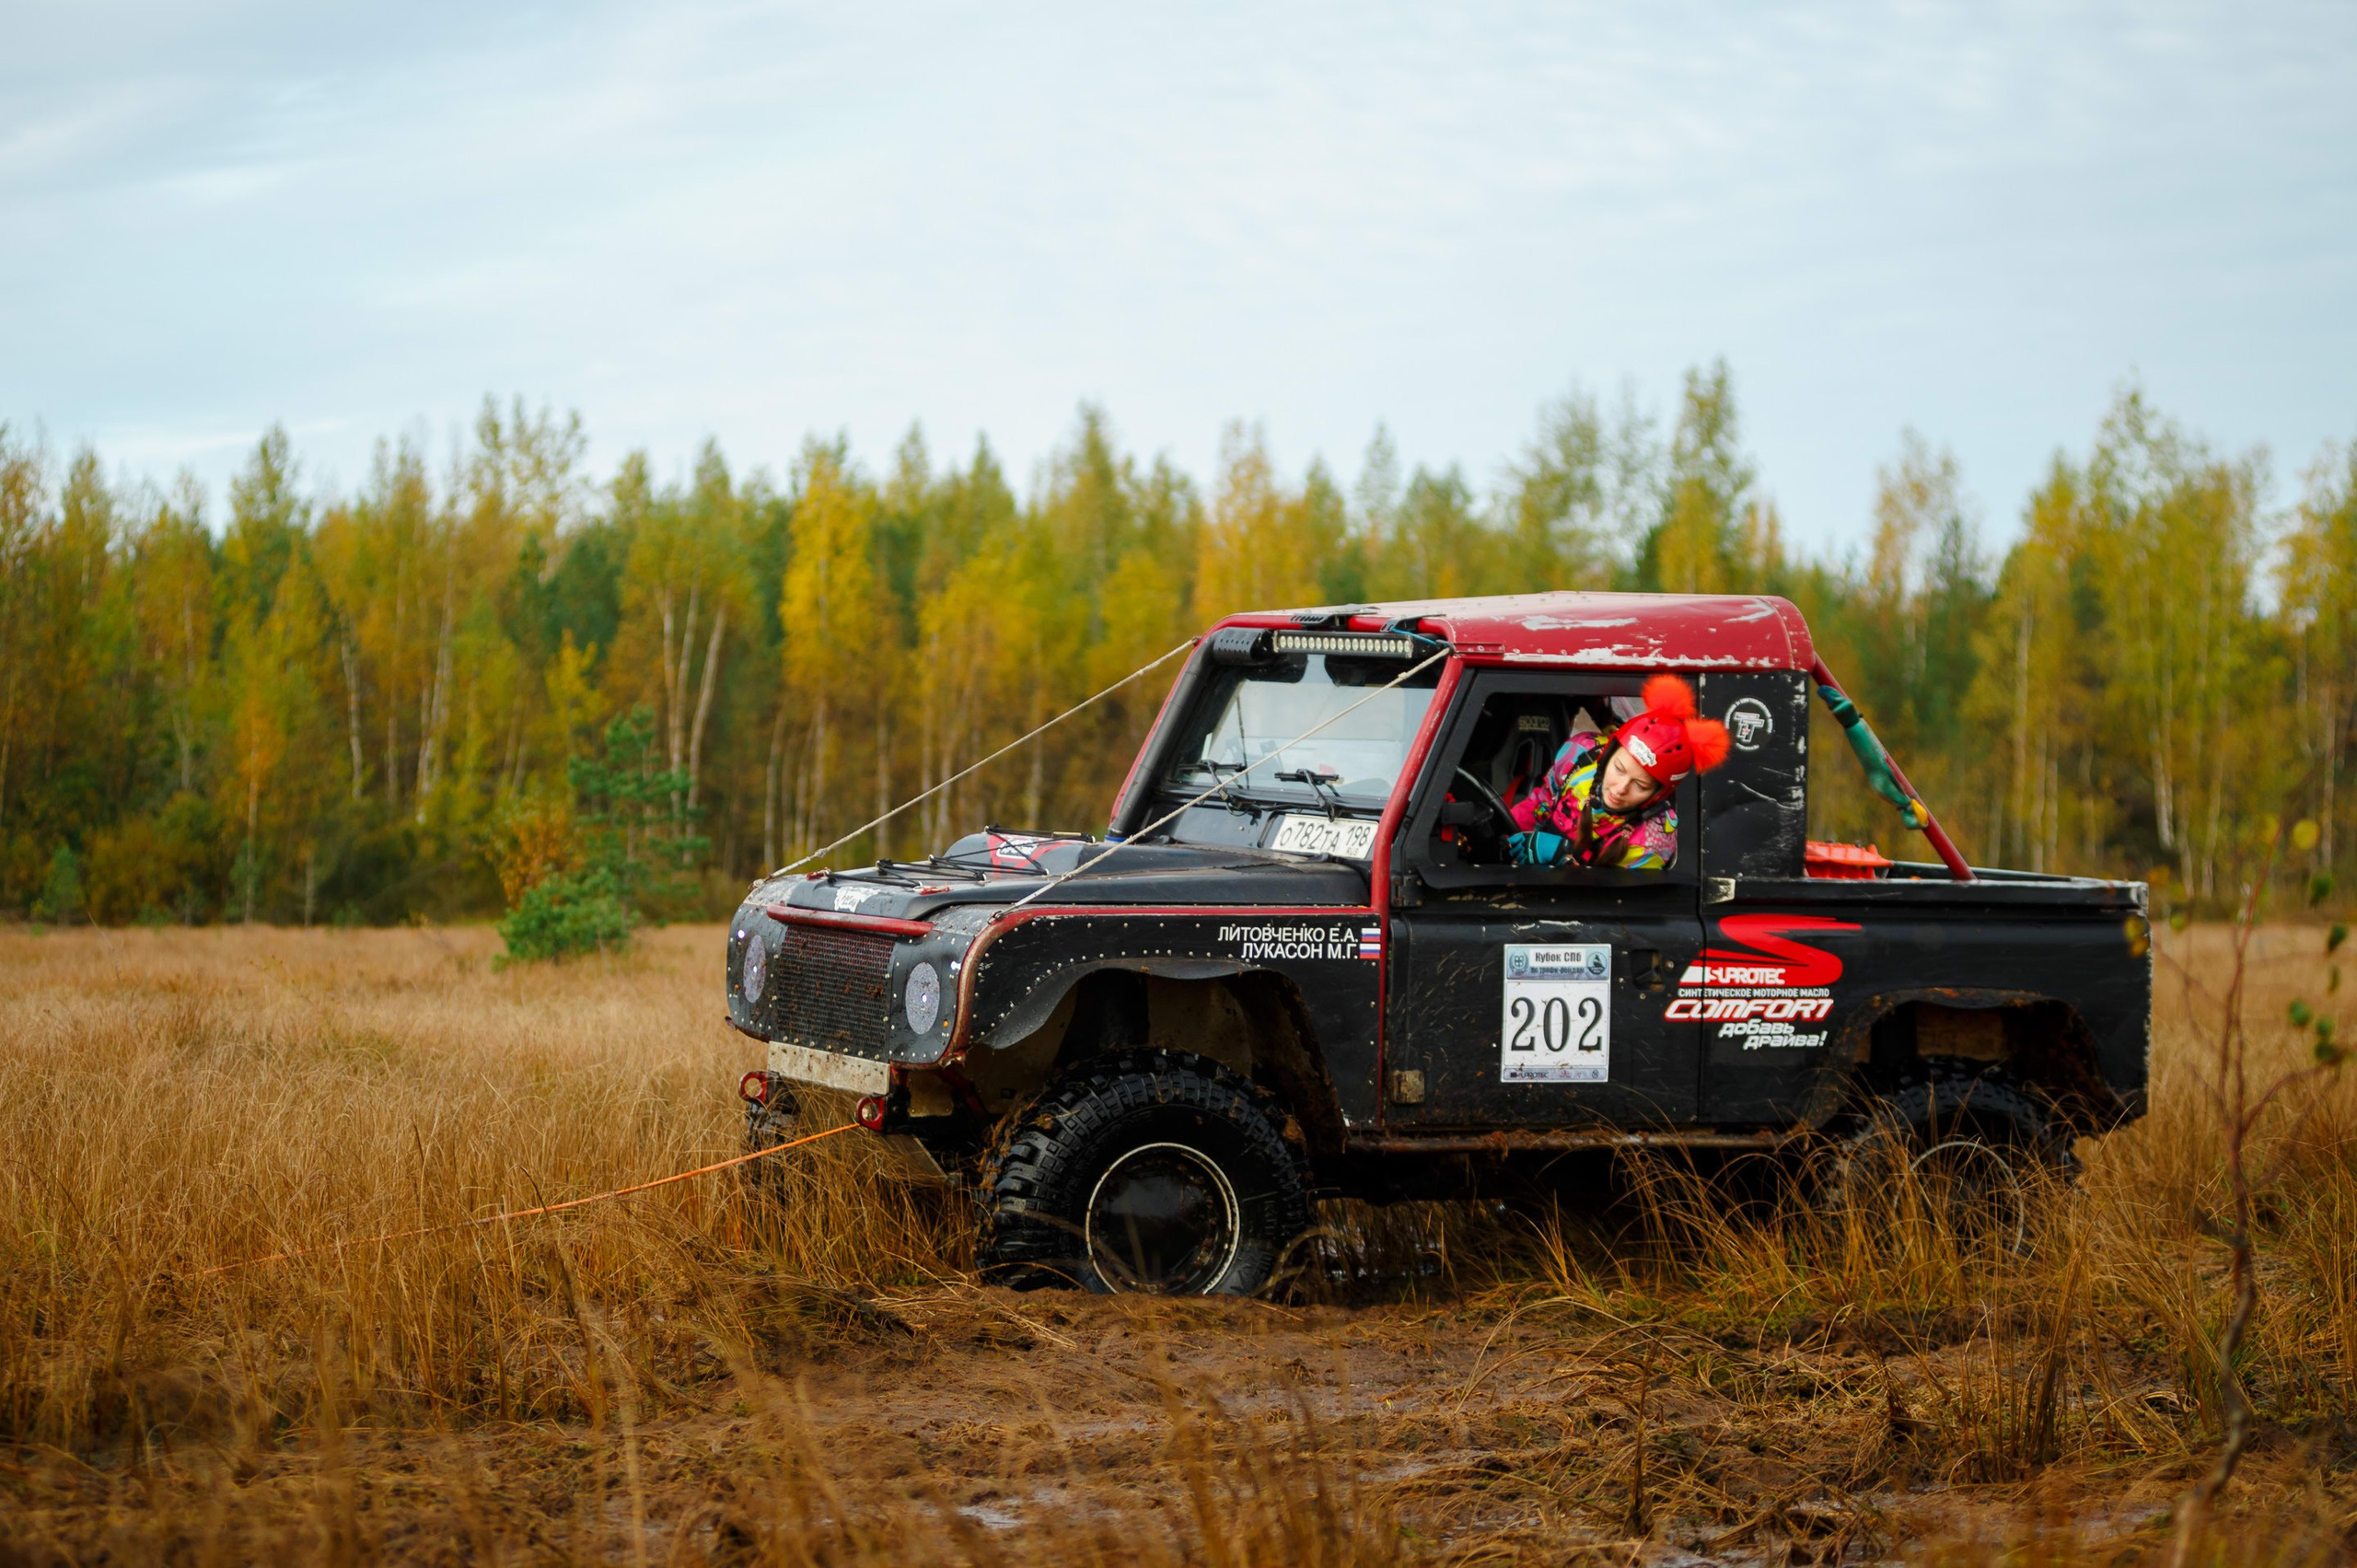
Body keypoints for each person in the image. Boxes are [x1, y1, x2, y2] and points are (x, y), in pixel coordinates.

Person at [1506, 674, 1730, 870]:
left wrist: (1564, 858)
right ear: (1606, 754)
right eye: (1619, 769)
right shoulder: (1578, 755)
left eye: (1640, 786)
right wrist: (1507, 832)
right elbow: (1542, 800)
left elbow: (1618, 901)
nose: (1620, 788)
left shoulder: (1655, 838)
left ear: (1658, 794)